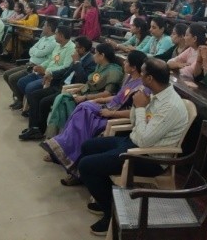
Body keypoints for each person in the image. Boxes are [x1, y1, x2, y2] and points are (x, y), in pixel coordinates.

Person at [76, 58, 190, 235]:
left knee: (86, 166)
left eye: (142, 73)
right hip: (133, 141)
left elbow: (144, 140)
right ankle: (108, 198)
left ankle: (111, 214)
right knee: (88, 146)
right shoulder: (156, 93)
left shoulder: (170, 106)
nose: (139, 76)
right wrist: (138, 107)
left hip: (149, 157)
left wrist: (140, 107)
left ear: (150, 78)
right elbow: (135, 122)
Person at [41, 50, 148, 172]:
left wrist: (111, 113)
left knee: (83, 117)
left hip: (114, 115)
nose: (124, 63)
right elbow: (117, 97)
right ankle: (63, 150)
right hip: (108, 108)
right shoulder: (130, 78)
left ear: (133, 67)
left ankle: (71, 157)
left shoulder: (142, 88)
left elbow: (135, 112)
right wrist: (99, 100)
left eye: (127, 61)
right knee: (82, 109)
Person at [45, 43, 123, 140]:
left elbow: (108, 93)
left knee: (63, 100)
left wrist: (85, 97)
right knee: (61, 98)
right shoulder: (100, 66)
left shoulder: (114, 71)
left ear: (102, 55)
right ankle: (60, 135)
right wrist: (78, 90)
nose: (93, 56)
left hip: (97, 101)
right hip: (87, 94)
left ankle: (65, 135)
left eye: (96, 53)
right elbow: (90, 83)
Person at [23, 37, 96, 140]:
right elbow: (66, 70)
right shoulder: (78, 56)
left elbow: (83, 79)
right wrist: (51, 74)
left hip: (71, 90)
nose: (75, 50)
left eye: (77, 47)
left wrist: (77, 62)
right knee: (33, 95)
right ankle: (34, 128)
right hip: (60, 85)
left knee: (44, 102)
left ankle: (40, 130)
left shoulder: (91, 61)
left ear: (83, 49)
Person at [14, 25, 76, 107]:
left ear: (61, 36)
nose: (54, 36)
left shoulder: (71, 48)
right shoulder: (58, 45)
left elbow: (66, 67)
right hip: (44, 72)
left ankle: (33, 107)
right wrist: (41, 66)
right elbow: (50, 59)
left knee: (29, 87)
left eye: (56, 34)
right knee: (21, 82)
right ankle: (31, 105)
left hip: (53, 77)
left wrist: (47, 71)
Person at [4, 19, 58, 110]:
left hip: (36, 67)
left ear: (49, 28)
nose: (42, 27)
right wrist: (36, 51)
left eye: (44, 25)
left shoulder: (53, 42)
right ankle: (20, 98)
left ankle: (21, 100)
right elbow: (31, 49)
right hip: (29, 63)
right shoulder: (43, 38)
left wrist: (35, 52)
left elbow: (39, 53)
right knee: (6, 74)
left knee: (12, 78)